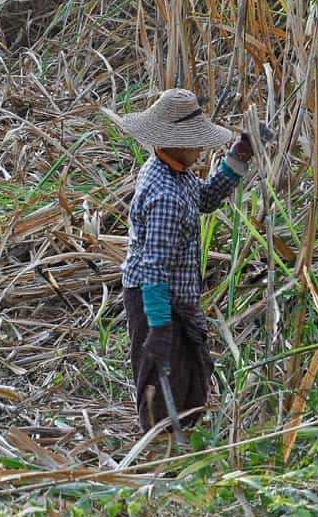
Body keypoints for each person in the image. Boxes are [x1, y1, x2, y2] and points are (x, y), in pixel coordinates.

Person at [104, 88, 254, 434]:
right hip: (156, 299)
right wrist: (158, 327)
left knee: (189, 379)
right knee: (161, 384)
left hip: (176, 297)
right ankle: (160, 454)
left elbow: (204, 199)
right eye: (195, 143)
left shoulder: (176, 172)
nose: (201, 150)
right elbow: (154, 266)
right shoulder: (164, 194)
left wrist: (238, 157)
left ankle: (179, 446)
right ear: (171, 142)